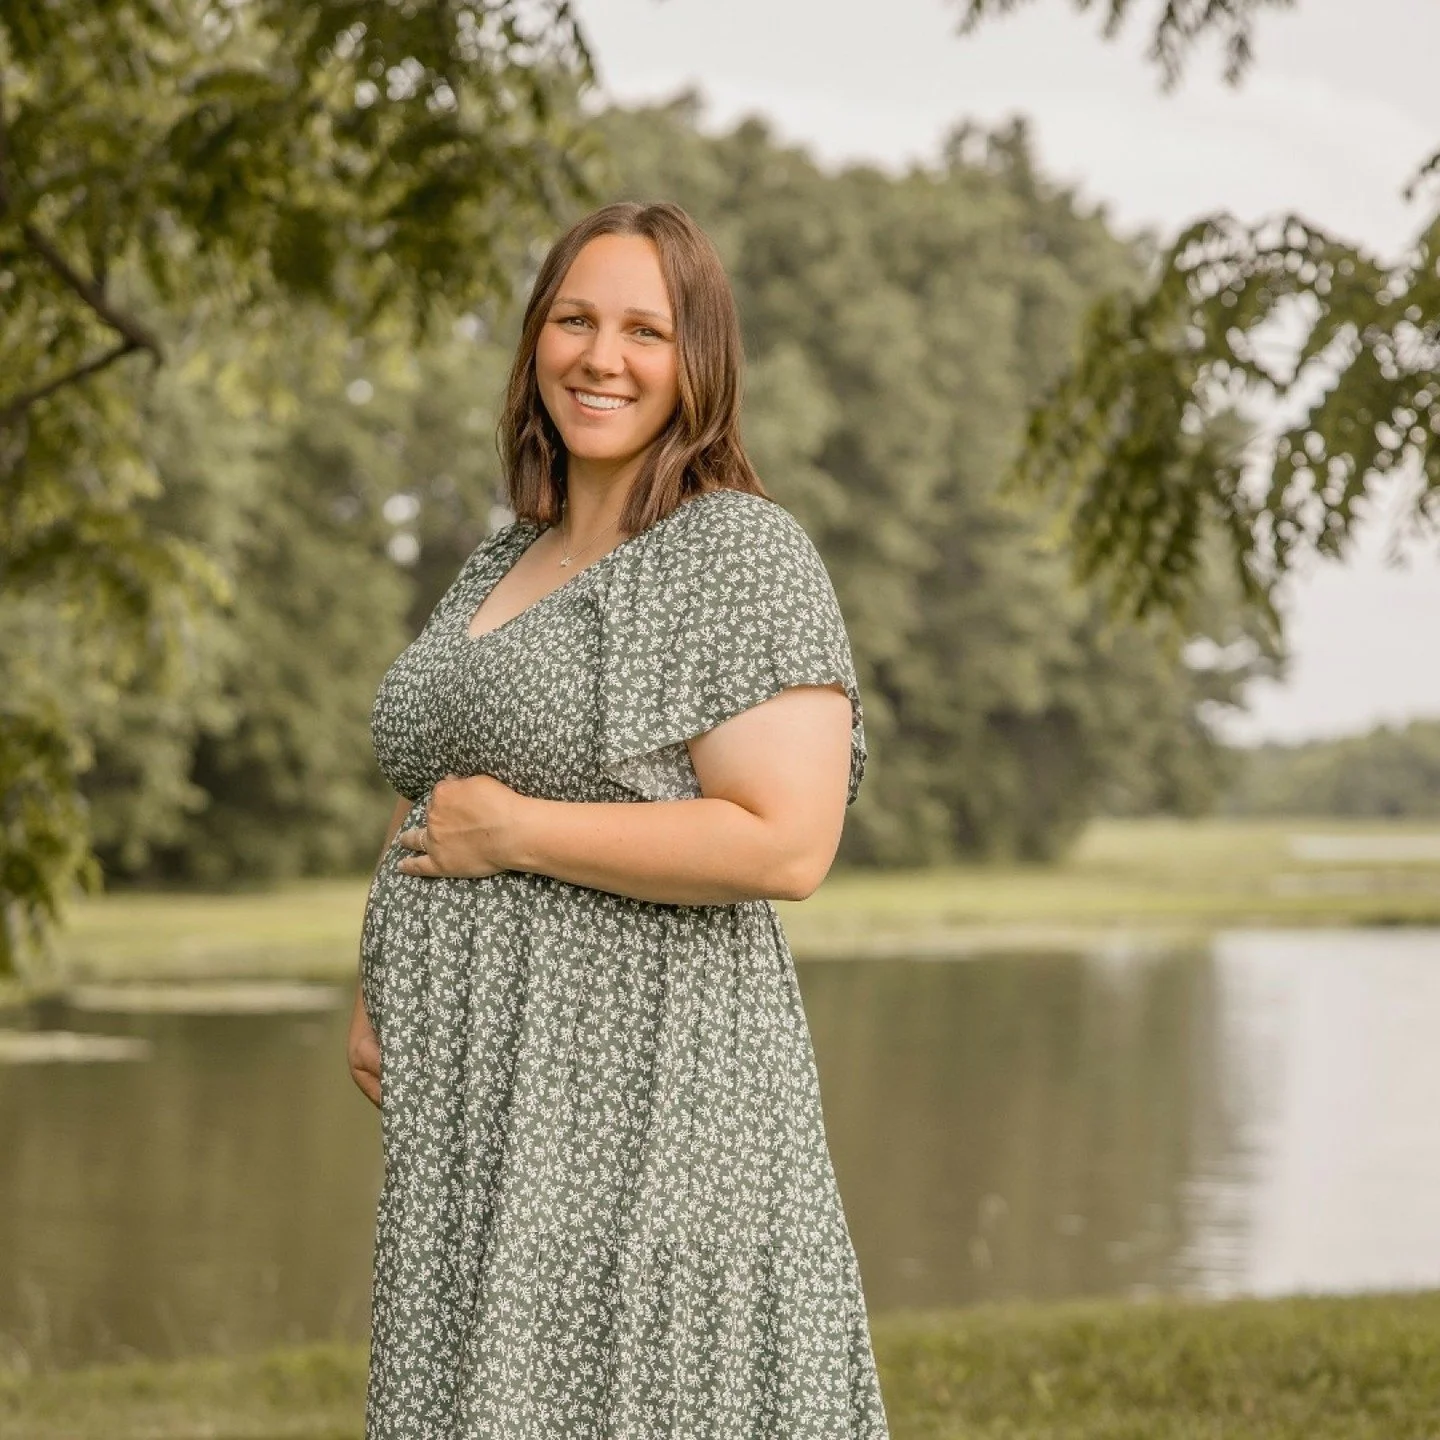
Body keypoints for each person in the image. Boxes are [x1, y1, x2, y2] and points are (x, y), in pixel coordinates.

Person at [346, 199, 889, 1439]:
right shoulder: (503, 560)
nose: (603, 356)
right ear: (534, 340)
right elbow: (437, 778)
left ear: (700, 363)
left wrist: (523, 834)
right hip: (479, 1116)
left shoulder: (736, 554)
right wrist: (375, 982)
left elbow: (784, 842)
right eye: (575, 319)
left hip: (645, 1100)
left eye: (646, 329)